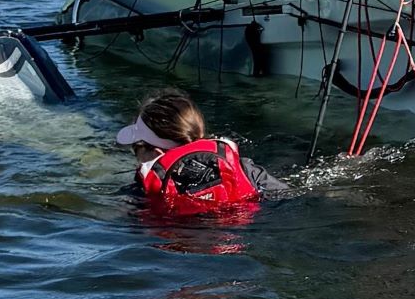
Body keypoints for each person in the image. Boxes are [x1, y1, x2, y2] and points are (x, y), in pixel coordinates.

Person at [117, 89, 288, 213]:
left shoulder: (141, 192)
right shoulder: (244, 169)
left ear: (156, 154)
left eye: (137, 150)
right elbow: (286, 196)